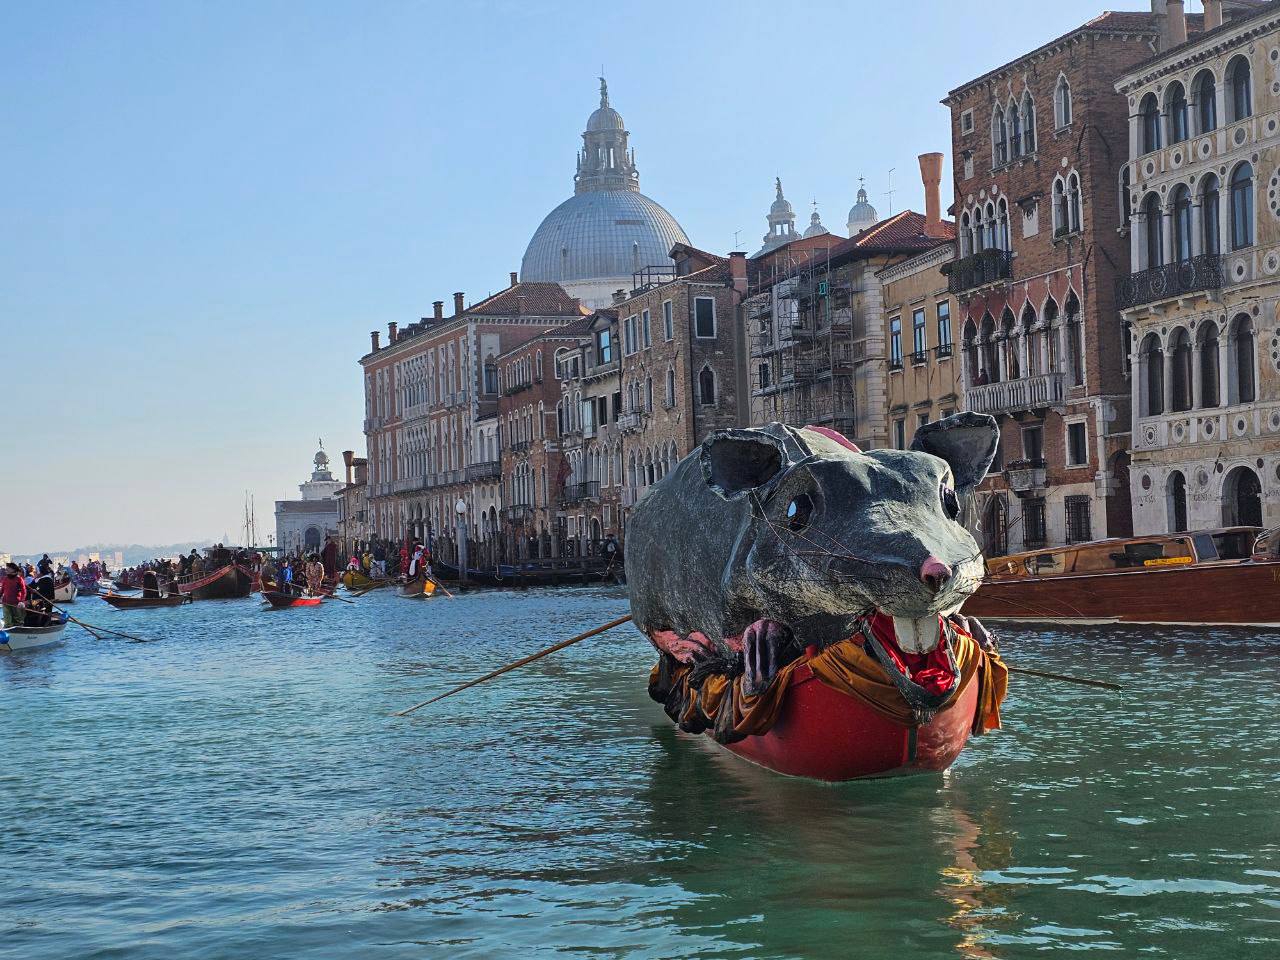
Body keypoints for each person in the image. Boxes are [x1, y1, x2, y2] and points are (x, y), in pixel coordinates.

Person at [2, 563, 27, 627]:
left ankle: (19, 633)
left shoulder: (19, 579)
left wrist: (21, 601)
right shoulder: (5, 579)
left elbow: (24, 591)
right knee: (7, 621)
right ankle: (9, 632)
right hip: (6, 603)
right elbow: (2, 590)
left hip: (16, 603)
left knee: (18, 621)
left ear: (13, 569)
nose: (6, 569)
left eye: (8, 568)